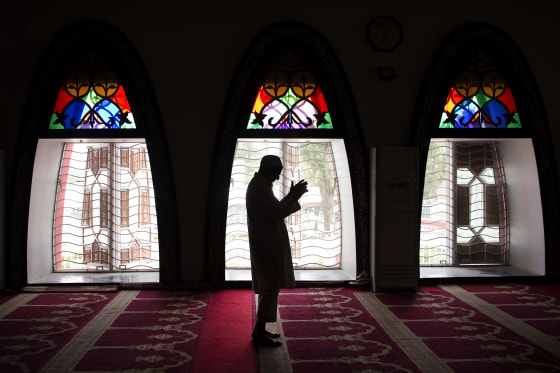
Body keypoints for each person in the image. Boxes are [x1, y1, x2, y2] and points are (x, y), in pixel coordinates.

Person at [246, 155, 308, 347]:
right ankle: (259, 334)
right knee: (269, 287)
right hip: (267, 245)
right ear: (269, 170)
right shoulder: (259, 188)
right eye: (277, 173)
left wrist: (290, 197)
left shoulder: (261, 185)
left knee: (269, 288)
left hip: (267, 242)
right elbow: (277, 213)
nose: (278, 177)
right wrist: (295, 197)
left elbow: (274, 208)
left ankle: (260, 330)